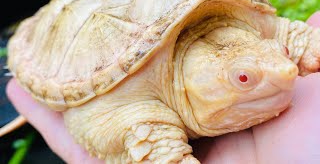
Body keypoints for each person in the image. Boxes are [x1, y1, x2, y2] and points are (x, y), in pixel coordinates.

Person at [6, 12, 320, 164]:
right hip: (76, 24)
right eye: (243, 78)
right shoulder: (137, 105)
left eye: (281, 55)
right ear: (186, 91)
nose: (289, 72)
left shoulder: (246, 24)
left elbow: (285, 34)